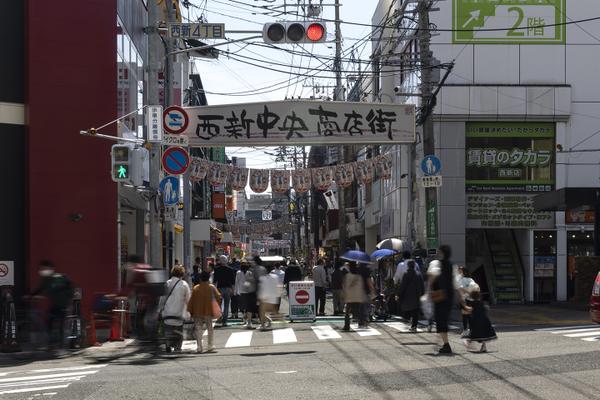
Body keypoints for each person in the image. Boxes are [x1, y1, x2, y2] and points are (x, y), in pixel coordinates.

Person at [31, 260, 74, 348]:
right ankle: (51, 343)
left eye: (44, 268)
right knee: (49, 322)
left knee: (61, 325)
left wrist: (68, 298)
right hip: (54, 305)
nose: (42, 270)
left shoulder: (60, 277)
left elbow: (70, 287)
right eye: (41, 269)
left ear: (51, 269)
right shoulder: (45, 280)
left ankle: (62, 345)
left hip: (63, 304)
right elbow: (40, 289)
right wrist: (30, 295)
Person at [427, 245, 455, 354]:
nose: (438, 252)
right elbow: (455, 281)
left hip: (440, 295)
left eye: (439, 251)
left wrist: (428, 290)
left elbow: (432, 277)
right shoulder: (452, 265)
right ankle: (440, 342)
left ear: (442, 252)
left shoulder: (436, 263)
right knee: (443, 319)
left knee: (441, 320)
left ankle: (446, 345)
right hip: (450, 295)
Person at [188, 271, 221, 353]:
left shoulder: (196, 288)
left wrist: (190, 310)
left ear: (200, 278)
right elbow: (219, 297)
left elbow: (191, 300)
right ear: (208, 278)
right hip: (208, 310)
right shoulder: (211, 287)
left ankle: (199, 347)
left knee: (198, 328)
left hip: (197, 310)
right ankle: (210, 346)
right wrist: (217, 305)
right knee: (209, 327)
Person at [160, 265, 191, 353]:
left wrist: (160, 309)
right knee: (179, 330)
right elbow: (188, 299)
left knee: (168, 329)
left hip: (167, 313)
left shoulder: (167, 283)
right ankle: (177, 347)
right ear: (182, 274)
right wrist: (189, 312)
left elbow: (162, 298)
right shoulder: (184, 284)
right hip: (179, 313)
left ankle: (168, 345)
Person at [462, 285, 497, 353]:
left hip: (476, 321)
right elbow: (486, 309)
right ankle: (483, 347)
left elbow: (469, 310)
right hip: (485, 320)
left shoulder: (472, 303)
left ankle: (467, 342)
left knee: (473, 334)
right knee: (483, 334)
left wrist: (464, 306)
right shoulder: (481, 302)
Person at [342, 262, 374, 331]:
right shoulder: (359, 276)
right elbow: (360, 286)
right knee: (360, 310)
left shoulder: (347, 275)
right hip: (358, 296)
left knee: (347, 311)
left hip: (349, 296)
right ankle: (362, 322)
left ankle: (347, 325)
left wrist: (344, 294)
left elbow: (344, 286)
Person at [397, 260, 425, 332]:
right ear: (414, 265)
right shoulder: (418, 274)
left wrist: (399, 293)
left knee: (408, 309)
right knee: (415, 311)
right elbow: (422, 285)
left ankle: (408, 320)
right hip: (417, 295)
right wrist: (422, 293)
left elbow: (403, 285)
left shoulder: (406, 274)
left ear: (408, 266)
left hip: (407, 295)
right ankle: (414, 326)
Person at [212, 255, 236, 327]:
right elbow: (233, 282)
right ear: (226, 261)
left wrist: (214, 290)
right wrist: (233, 290)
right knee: (226, 305)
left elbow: (215, 281)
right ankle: (224, 321)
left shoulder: (217, 269)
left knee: (219, 304)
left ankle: (219, 317)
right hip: (228, 289)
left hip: (219, 289)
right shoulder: (230, 269)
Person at [258, 266, 282, 330]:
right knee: (275, 312)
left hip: (265, 298)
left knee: (262, 312)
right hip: (273, 298)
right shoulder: (275, 277)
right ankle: (282, 323)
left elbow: (261, 288)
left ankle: (263, 325)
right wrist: (278, 295)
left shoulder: (262, 278)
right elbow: (278, 286)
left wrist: (259, 297)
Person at [456, 266, 476, 337]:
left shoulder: (461, 280)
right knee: (469, 316)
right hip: (470, 299)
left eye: (460, 272)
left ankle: (465, 330)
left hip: (464, 299)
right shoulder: (470, 279)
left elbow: (460, 289)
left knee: (465, 315)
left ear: (463, 272)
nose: (459, 273)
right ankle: (471, 330)